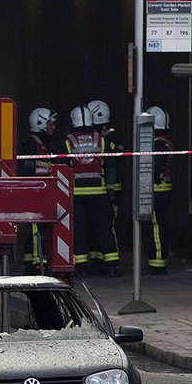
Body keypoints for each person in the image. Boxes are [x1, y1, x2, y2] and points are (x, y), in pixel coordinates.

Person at [65, 105, 120, 277]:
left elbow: (63, 168)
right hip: (99, 192)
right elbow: (110, 167)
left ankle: (81, 266)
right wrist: (111, 190)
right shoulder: (101, 140)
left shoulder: (68, 141)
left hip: (77, 194)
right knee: (104, 228)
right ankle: (111, 264)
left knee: (79, 229)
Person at [20, 107, 58, 273]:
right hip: (35, 193)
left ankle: (35, 261)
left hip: (45, 193)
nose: (54, 127)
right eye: (51, 123)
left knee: (41, 230)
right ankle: (36, 263)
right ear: (41, 123)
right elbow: (27, 170)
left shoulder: (47, 143)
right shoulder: (31, 144)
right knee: (36, 229)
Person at [87, 99, 125, 252]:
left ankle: (110, 257)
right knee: (98, 223)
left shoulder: (109, 138)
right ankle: (98, 256)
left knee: (108, 224)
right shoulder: (105, 138)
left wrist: (110, 191)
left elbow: (111, 165)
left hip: (110, 190)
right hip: (105, 188)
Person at [144, 106, 173, 274]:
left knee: (155, 226)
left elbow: (154, 167)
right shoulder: (165, 141)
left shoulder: (158, 144)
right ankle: (156, 262)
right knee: (159, 225)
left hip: (157, 189)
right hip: (163, 188)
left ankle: (158, 264)